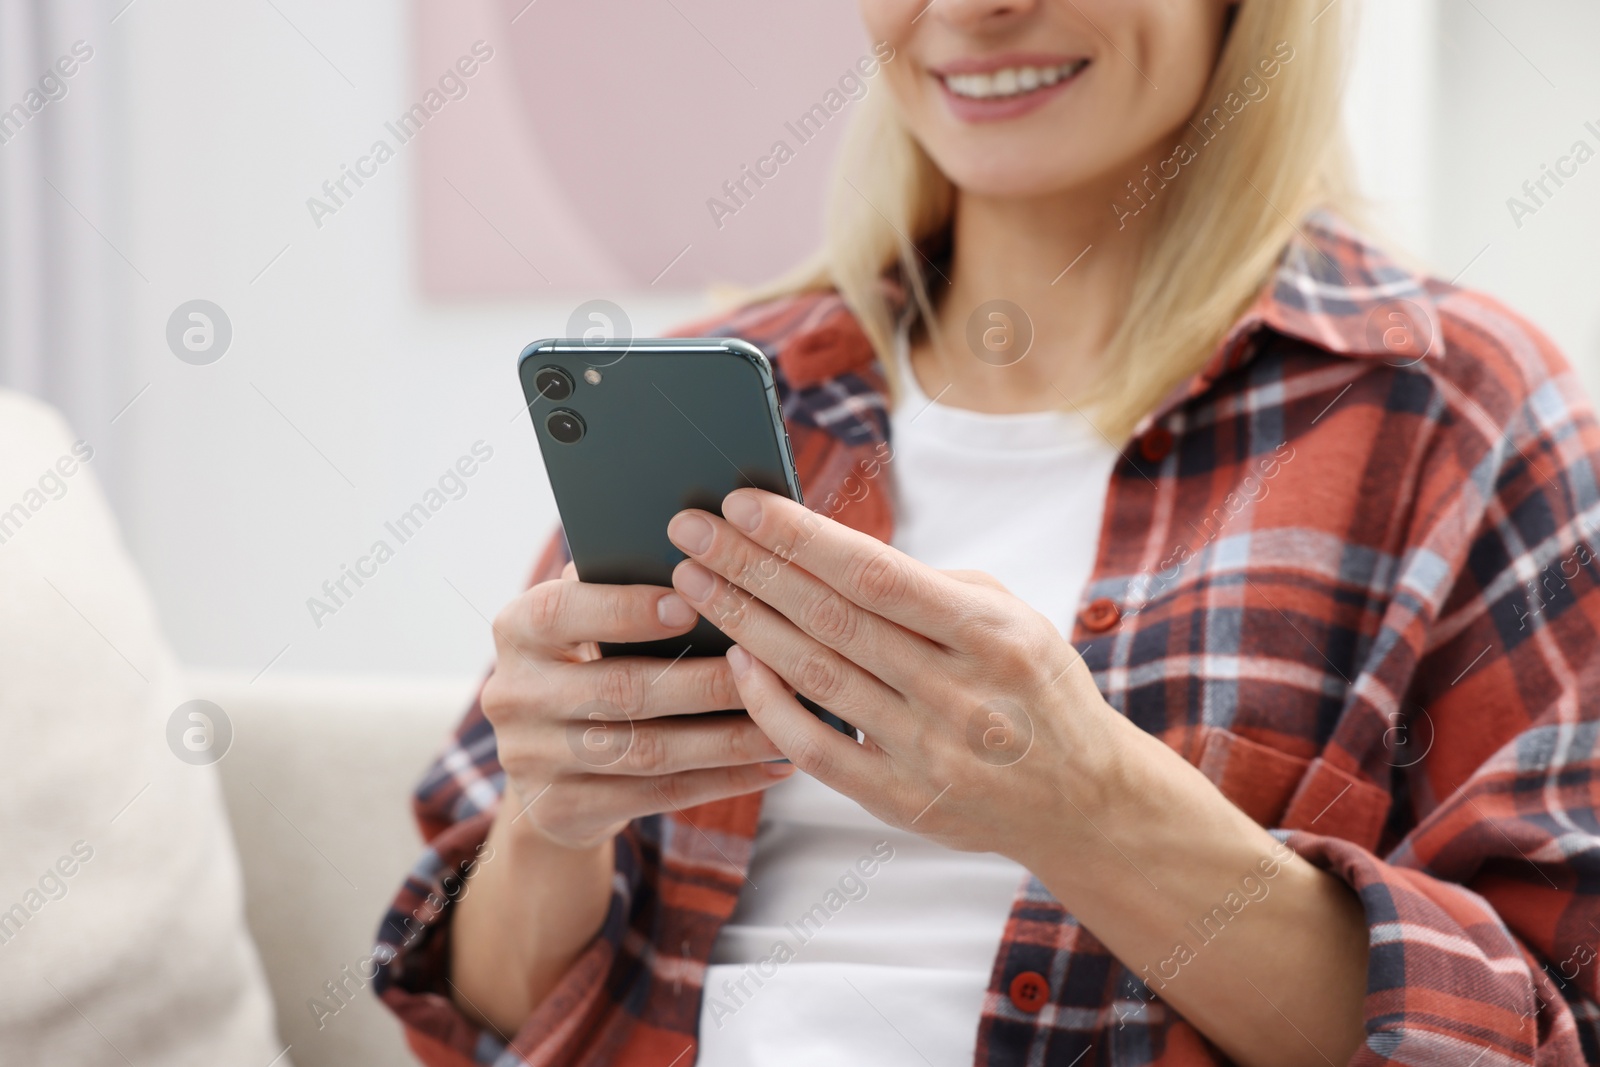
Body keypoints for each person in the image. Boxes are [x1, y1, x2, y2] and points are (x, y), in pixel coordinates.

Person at [374, 1, 1600, 1064]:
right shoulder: (736, 390)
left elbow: (1551, 1030)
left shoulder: (1451, 412)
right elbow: (481, 1018)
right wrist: (550, 815)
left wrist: (1085, 805)